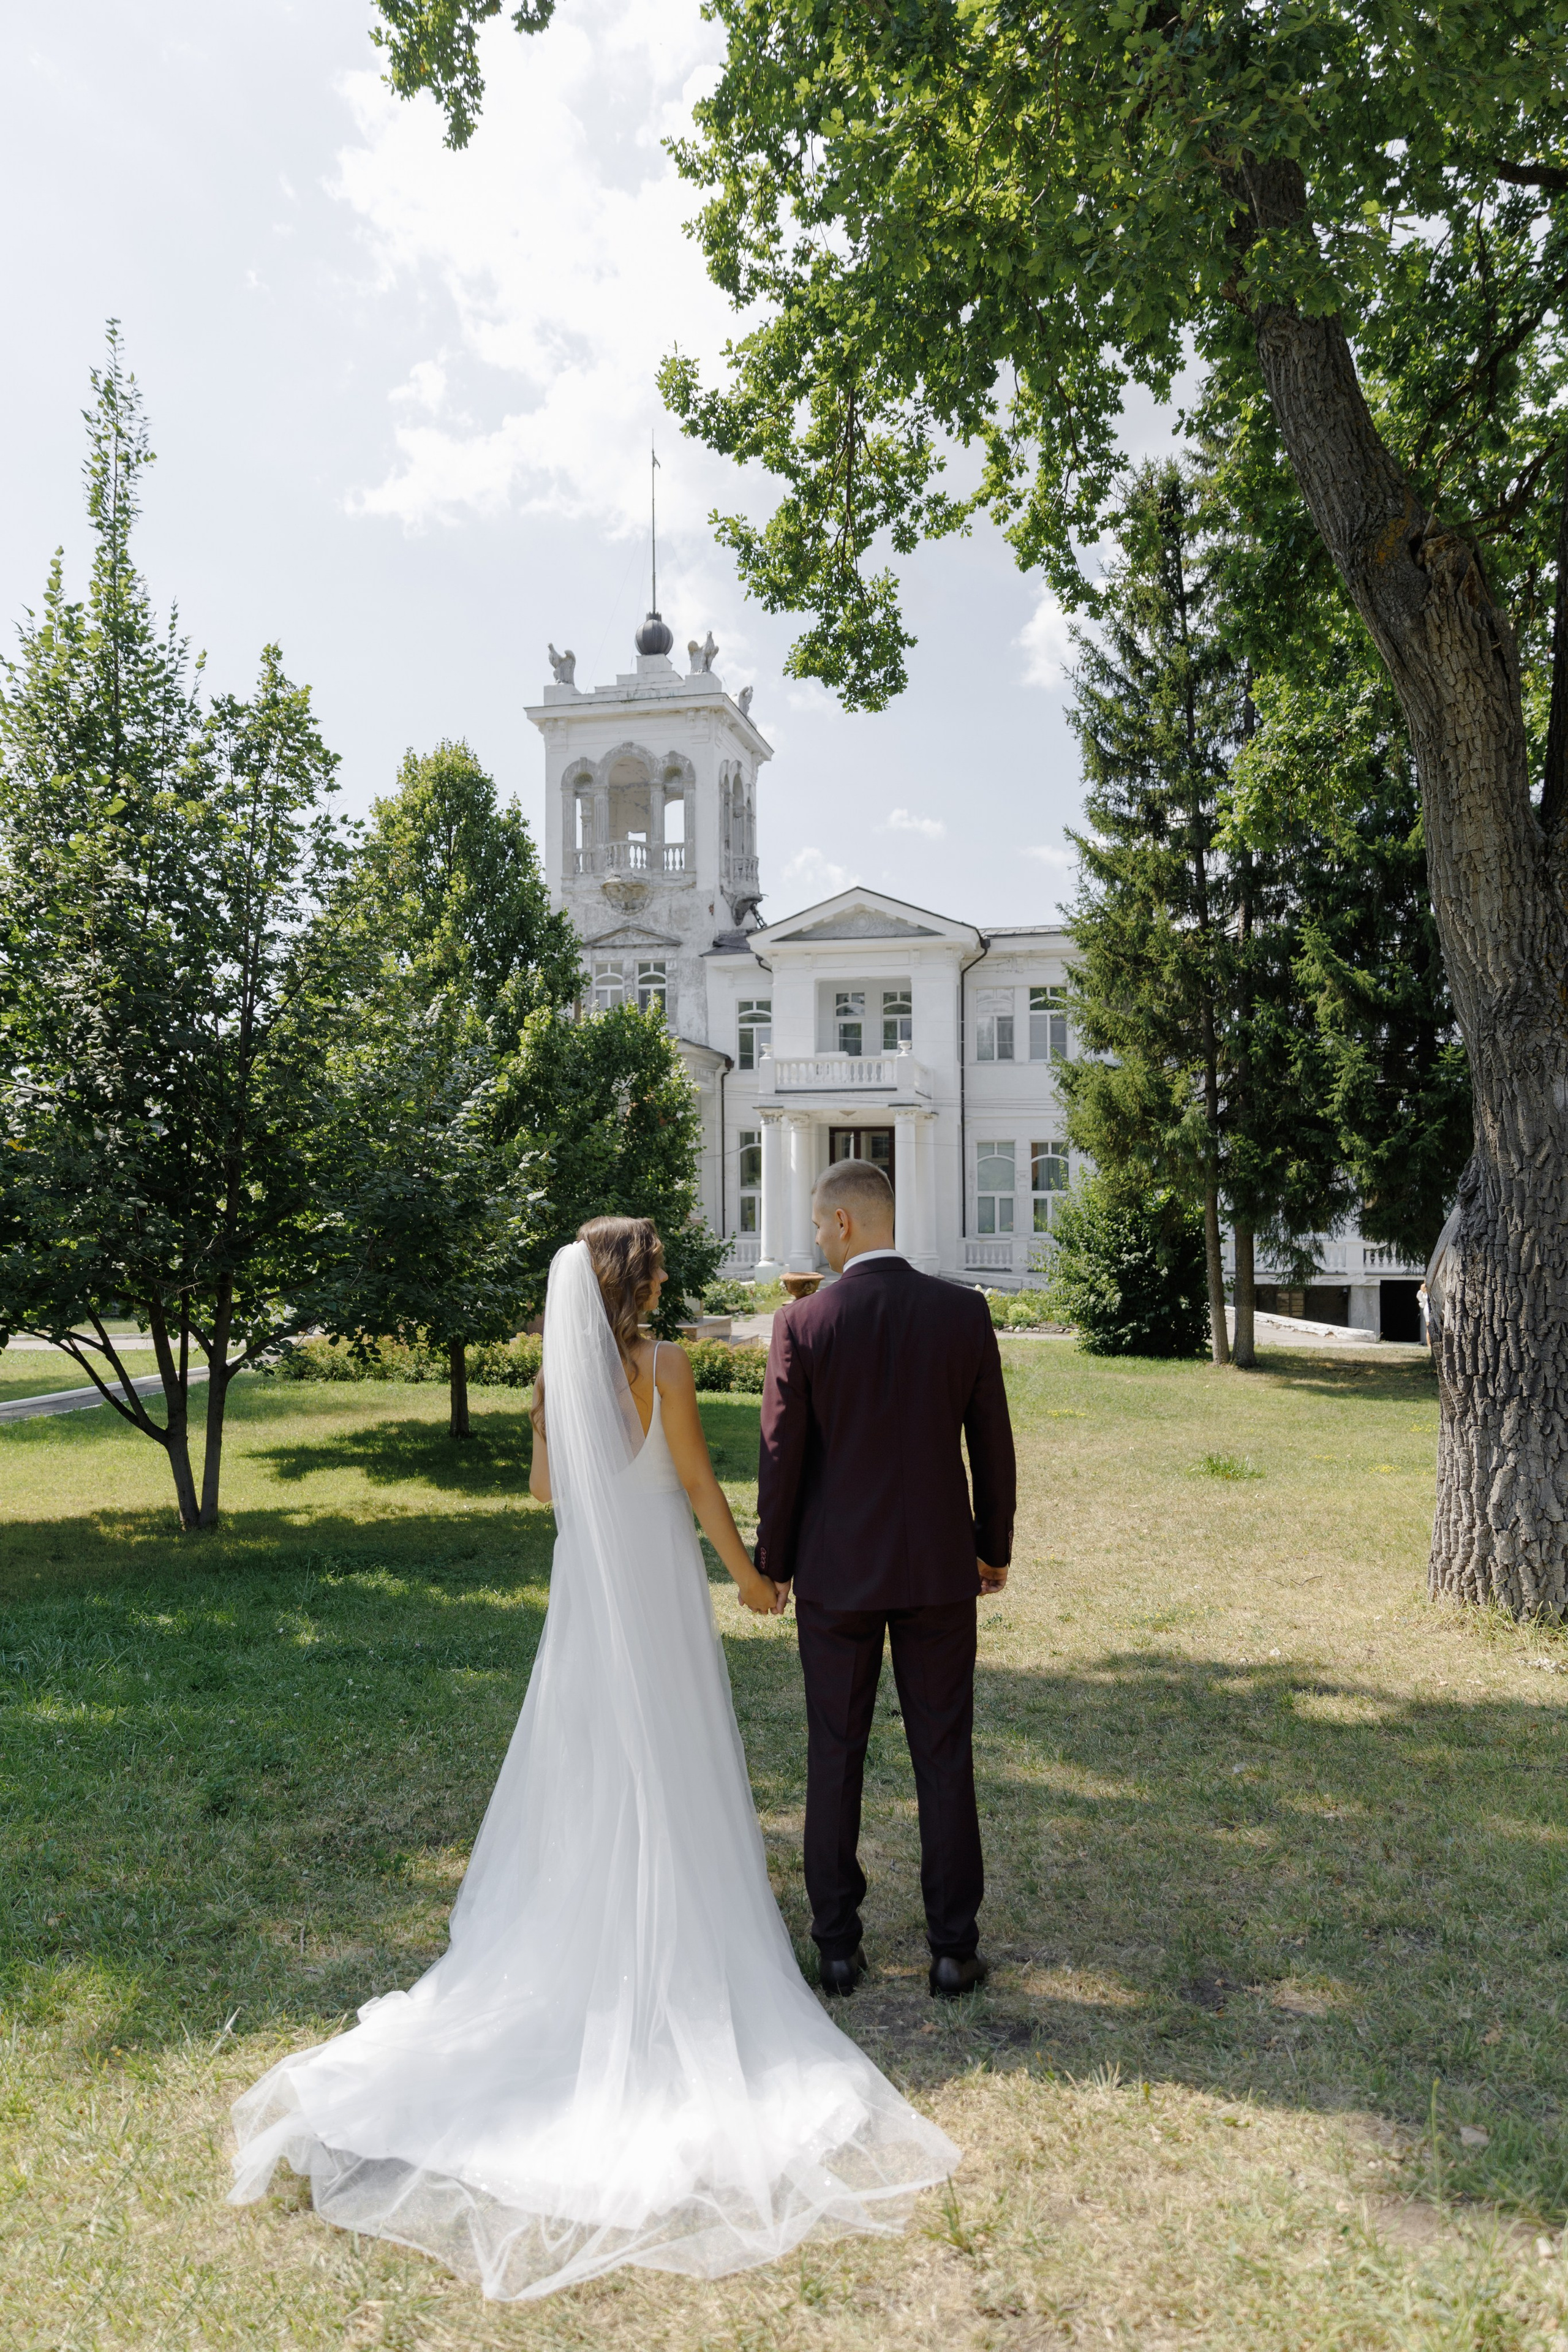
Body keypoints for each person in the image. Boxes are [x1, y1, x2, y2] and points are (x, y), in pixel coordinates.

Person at [228, 1216, 957, 2301]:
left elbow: (545, 1496)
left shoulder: (559, 1377)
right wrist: (754, 1579)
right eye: (659, 1263)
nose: (668, 1274)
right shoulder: (662, 1365)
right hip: (658, 1592)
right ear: (635, 1279)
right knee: (672, 1762)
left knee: (592, 1771)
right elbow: (705, 1489)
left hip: (589, 1606)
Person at [756, 1159, 1016, 2000]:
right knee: (945, 1755)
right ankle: (953, 1950)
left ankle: (838, 1950)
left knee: (835, 1754)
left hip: (836, 1577)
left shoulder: (804, 1322)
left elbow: (780, 1456)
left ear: (842, 1225)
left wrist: (775, 1563)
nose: (817, 1239)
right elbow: (994, 1446)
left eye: (817, 1224)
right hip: (943, 1569)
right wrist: (993, 1547)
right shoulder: (962, 1313)